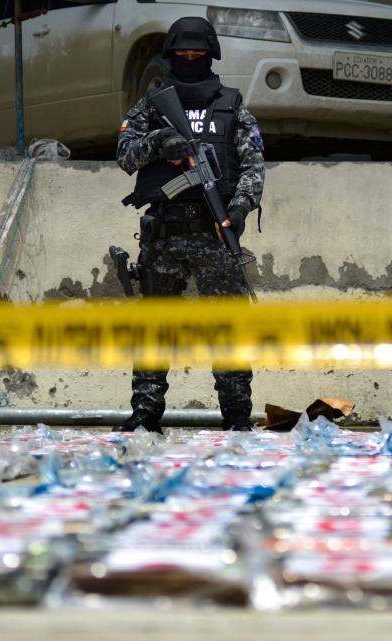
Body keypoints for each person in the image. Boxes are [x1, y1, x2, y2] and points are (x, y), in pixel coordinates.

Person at [113, 17, 265, 434]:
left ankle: (236, 415)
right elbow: (126, 155)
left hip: (215, 232)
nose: (191, 59)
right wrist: (160, 143)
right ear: (172, 56)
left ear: (211, 54)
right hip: (165, 233)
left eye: (198, 54)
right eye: (184, 54)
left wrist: (237, 209)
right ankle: (145, 412)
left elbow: (253, 168)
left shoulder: (232, 107)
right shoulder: (151, 107)